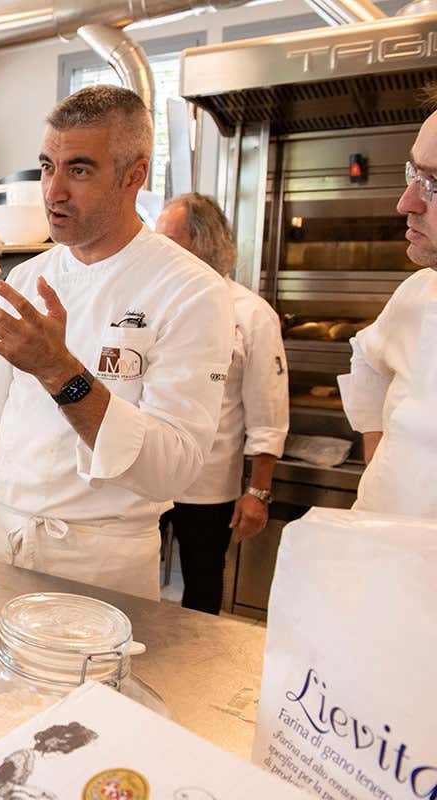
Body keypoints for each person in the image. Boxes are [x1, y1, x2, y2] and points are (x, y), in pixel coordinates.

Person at [0, 86, 235, 601]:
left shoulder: (190, 290)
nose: (53, 192)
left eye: (79, 170)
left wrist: (59, 371)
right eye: (46, 167)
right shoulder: (28, 277)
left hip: (97, 564)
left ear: (135, 175)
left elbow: (173, 467)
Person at [155, 193, 289, 614]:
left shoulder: (251, 313)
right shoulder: (157, 304)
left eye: (168, 239)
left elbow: (268, 411)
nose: (156, 249)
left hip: (209, 485)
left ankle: (194, 670)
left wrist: (258, 492)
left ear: (202, 242)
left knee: (202, 585)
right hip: (150, 475)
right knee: (136, 581)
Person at [338, 102, 437, 518]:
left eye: (434, 184)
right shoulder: (419, 292)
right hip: (383, 551)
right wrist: (381, 466)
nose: (406, 202)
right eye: (414, 173)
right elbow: (367, 359)